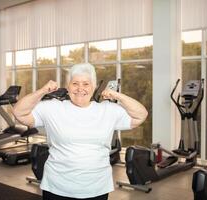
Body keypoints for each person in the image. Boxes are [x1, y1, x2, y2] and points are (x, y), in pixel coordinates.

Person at [13, 63, 148, 200]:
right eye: (75, 83)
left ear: (94, 87)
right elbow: (19, 113)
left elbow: (141, 115)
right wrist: (42, 91)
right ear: (67, 86)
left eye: (86, 84)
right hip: (57, 187)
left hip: (96, 188)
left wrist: (117, 96)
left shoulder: (108, 110)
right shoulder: (53, 108)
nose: (80, 89)